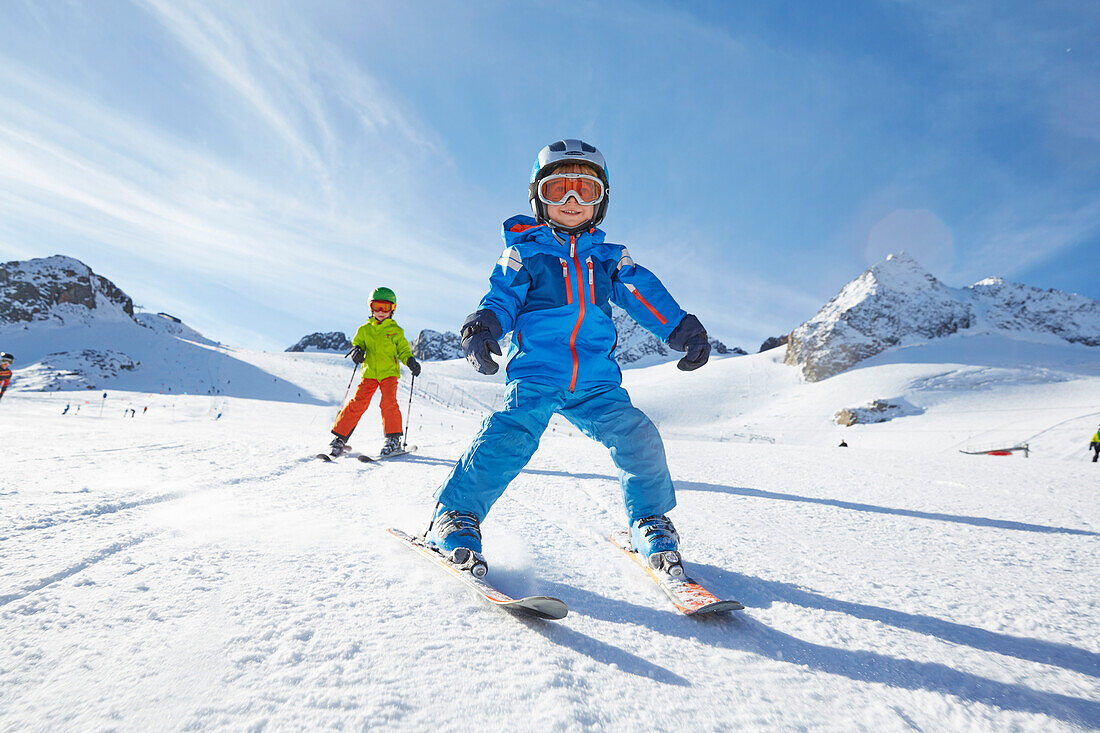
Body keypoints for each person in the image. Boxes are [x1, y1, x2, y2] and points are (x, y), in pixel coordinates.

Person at [425, 139, 712, 575]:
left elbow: (640, 293)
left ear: (602, 201)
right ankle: (456, 516)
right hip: (539, 372)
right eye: (559, 190)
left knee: (638, 436)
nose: (573, 200)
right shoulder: (526, 253)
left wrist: (679, 327)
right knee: (509, 435)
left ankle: (649, 520)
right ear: (538, 198)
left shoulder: (609, 259)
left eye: (586, 190)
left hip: (597, 381)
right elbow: (502, 298)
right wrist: (483, 325)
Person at [328, 287, 421, 458]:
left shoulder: (395, 331)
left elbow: (403, 351)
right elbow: (358, 344)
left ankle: (393, 440)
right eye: (377, 306)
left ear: (392, 309)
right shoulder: (364, 330)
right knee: (357, 403)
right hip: (369, 374)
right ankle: (340, 438)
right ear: (370, 307)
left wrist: (410, 361)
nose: (380, 311)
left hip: (388, 374)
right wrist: (357, 351)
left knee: (388, 403)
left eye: (385, 307)